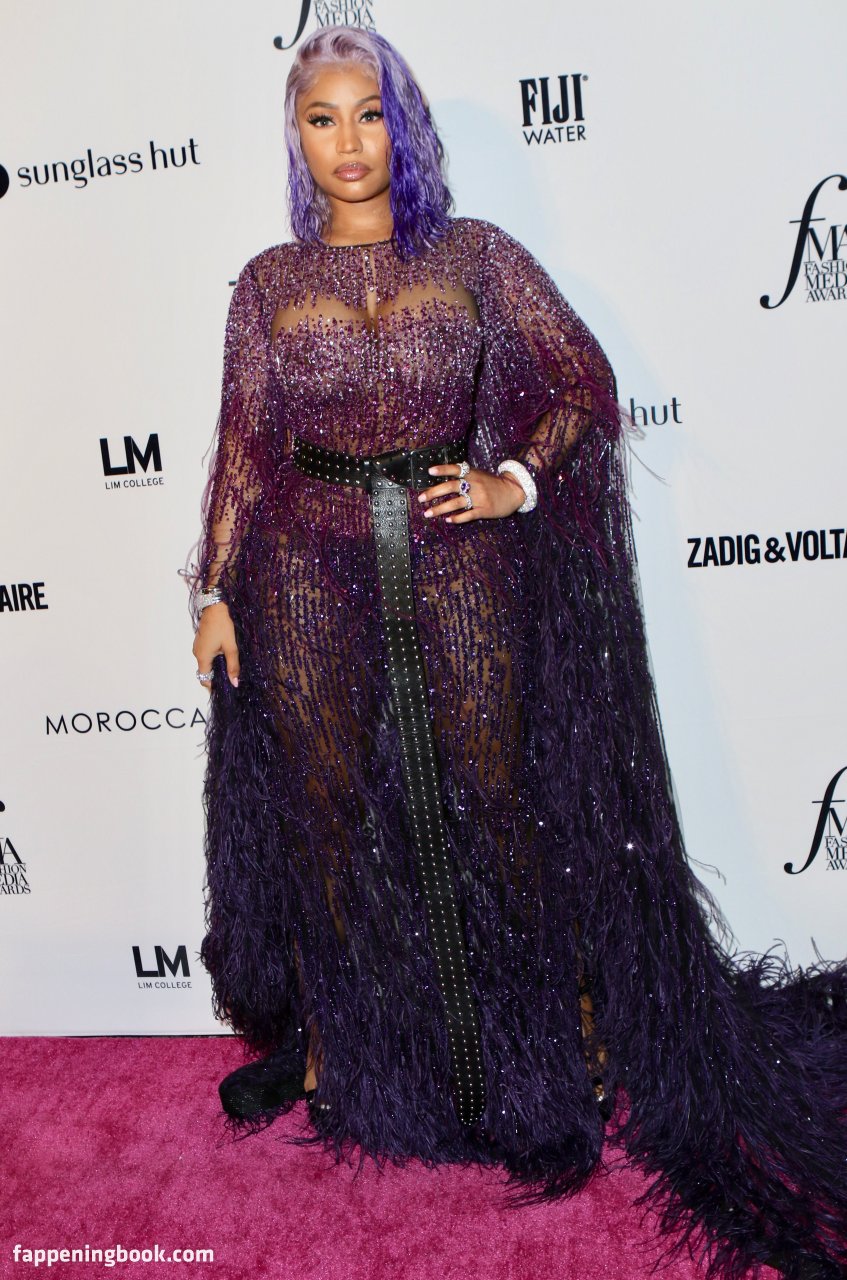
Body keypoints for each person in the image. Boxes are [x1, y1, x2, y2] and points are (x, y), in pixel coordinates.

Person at [188, 25, 847, 1280]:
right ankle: (353, 1052)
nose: (348, 143)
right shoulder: (267, 284)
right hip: (305, 571)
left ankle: (554, 1045)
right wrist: (214, 589)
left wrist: (515, 483)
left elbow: (582, 384)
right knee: (331, 814)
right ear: (296, 138)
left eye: (369, 115)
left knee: (500, 802)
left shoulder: (478, 256)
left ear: (403, 127)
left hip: (459, 563)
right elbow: (243, 445)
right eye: (322, 119)